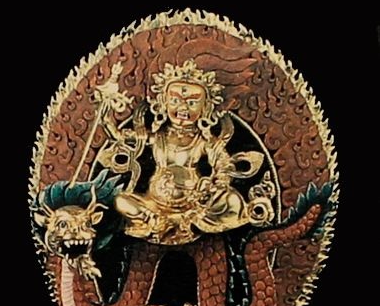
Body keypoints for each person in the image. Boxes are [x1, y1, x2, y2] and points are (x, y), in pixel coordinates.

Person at [111, 60, 274, 245]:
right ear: (163, 103)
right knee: (120, 200)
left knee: (231, 199)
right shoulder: (158, 136)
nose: (183, 108)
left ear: (206, 108)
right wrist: (107, 115)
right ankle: (156, 222)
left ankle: (177, 223)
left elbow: (223, 163)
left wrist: (218, 183)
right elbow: (120, 136)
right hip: (154, 205)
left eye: (192, 102)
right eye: (175, 101)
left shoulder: (204, 141)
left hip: (193, 207)